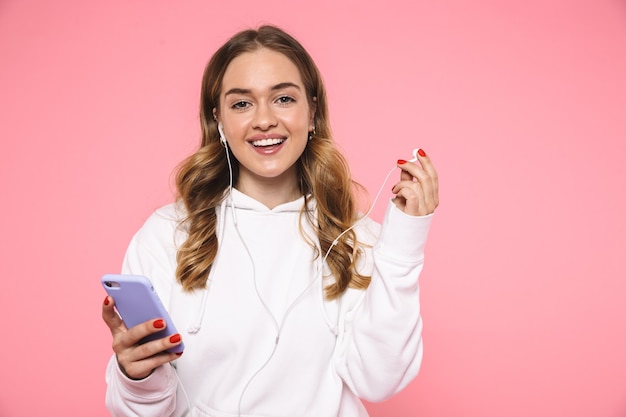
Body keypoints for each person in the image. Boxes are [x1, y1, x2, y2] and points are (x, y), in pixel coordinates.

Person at [102, 24, 439, 417]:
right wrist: (136, 375)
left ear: (312, 112)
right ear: (220, 121)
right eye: (242, 104)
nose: (264, 120)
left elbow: (379, 381)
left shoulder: (357, 238)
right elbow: (139, 412)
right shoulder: (166, 236)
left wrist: (403, 245)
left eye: (282, 98)